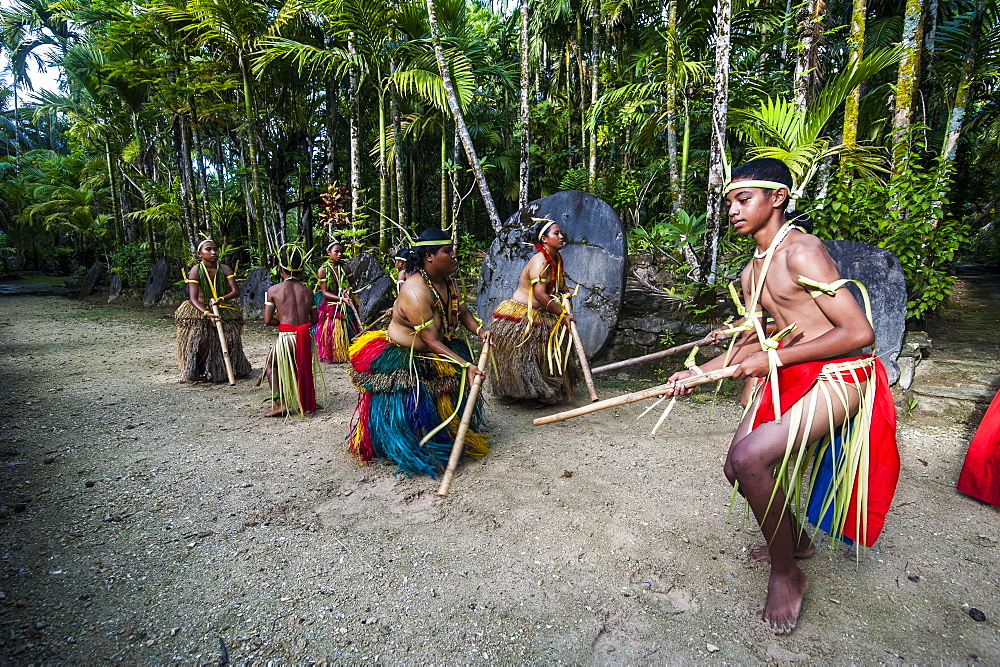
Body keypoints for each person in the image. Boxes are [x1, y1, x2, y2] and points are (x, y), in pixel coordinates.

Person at [665, 158, 899, 634]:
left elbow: (858, 332)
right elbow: (764, 337)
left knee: (751, 458)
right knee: (735, 467)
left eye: (743, 198)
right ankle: (797, 541)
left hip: (840, 374)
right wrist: (696, 373)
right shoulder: (753, 270)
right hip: (793, 368)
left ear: (777, 198)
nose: (732, 209)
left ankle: (788, 573)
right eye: (729, 200)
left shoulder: (802, 251)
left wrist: (770, 361)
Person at [347, 228, 490, 478]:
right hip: (410, 353)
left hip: (436, 348)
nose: (454, 255)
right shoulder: (415, 291)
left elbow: (462, 310)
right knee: (414, 404)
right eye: (448, 251)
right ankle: (411, 443)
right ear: (430, 257)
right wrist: (465, 365)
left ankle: (443, 431)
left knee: (442, 393)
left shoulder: (448, 281)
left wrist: (480, 330)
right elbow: (431, 340)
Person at [488, 217, 577, 407]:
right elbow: (540, 295)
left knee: (545, 354)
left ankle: (545, 389)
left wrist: (565, 294)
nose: (562, 237)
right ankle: (524, 393)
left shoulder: (555, 259)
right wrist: (562, 315)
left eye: (560, 233)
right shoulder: (540, 262)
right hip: (521, 315)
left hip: (542, 313)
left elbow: (558, 287)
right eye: (556, 233)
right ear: (544, 239)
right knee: (527, 355)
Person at [263, 244, 328, 417]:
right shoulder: (307, 291)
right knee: (302, 366)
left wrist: (283, 322)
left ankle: (279, 403)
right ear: (300, 271)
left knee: (271, 365)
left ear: (280, 269)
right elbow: (314, 319)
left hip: (287, 337)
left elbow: (267, 320)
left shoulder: (273, 290)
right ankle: (307, 402)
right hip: (304, 337)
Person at [174, 239, 252, 382]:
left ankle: (223, 367)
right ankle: (204, 369)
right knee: (202, 339)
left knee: (229, 338)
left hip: (222, 308)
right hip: (199, 310)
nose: (213, 252)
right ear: (199, 253)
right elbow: (192, 298)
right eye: (208, 249)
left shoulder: (225, 269)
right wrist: (206, 313)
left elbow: (235, 291)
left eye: (215, 249)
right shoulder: (196, 270)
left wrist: (221, 299)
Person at [315, 241, 362, 363]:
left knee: (349, 327)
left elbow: (353, 283)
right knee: (331, 330)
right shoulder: (323, 270)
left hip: (345, 301)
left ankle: (348, 351)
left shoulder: (345, 267)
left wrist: (349, 289)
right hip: (331, 303)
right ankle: (335, 354)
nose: (340, 254)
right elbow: (324, 292)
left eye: (341, 251)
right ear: (328, 252)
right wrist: (341, 299)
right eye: (336, 251)